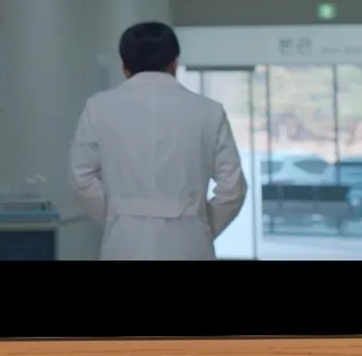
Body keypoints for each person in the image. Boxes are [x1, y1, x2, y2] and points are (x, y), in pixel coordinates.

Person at [69, 21, 247, 260]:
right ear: (174, 62)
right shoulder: (209, 111)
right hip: (190, 240)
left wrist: (118, 215)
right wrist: (202, 227)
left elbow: (81, 177)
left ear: (124, 66)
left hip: (123, 240)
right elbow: (232, 189)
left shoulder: (98, 108)